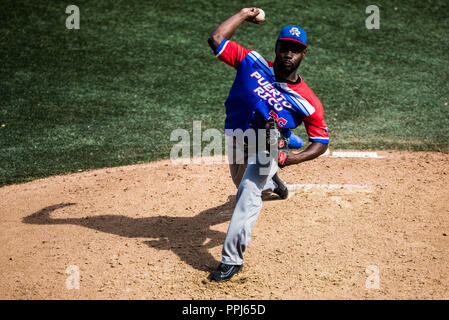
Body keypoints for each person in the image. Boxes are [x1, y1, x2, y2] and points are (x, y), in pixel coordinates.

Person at [207, 8, 329, 282]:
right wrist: (243, 14)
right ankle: (273, 183)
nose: (288, 54)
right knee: (240, 183)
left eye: (295, 50)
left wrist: (291, 158)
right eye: (284, 47)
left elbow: (321, 141)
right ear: (276, 46)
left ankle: (231, 259)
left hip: (267, 148)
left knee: (248, 194)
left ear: (303, 54)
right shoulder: (252, 62)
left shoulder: (307, 100)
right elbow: (216, 39)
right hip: (237, 137)